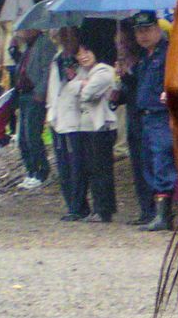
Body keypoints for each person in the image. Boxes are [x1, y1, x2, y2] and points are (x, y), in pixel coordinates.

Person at [127, 12, 176, 232]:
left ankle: (165, 216)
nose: (143, 35)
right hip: (145, 116)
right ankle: (155, 212)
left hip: (161, 115)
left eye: (147, 30)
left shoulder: (169, 54)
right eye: (138, 31)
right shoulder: (145, 57)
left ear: (158, 29)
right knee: (148, 163)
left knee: (162, 162)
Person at [112, 22, 155, 225]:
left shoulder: (147, 59)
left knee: (151, 164)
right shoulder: (130, 61)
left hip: (148, 117)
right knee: (138, 165)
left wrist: (128, 76)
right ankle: (146, 209)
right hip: (133, 117)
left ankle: (157, 210)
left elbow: (145, 87)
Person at [74, 35, 118, 223]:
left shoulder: (103, 71)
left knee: (101, 169)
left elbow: (87, 94)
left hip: (101, 127)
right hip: (87, 127)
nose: (83, 56)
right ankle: (99, 207)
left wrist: (80, 87)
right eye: (80, 53)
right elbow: (71, 92)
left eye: (87, 51)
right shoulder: (83, 73)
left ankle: (104, 208)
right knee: (91, 168)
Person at [46, 27, 88, 221]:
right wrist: (50, 112)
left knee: (77, 165)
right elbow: (52, 88)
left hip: (75, 119)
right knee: (63, 165)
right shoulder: (57, 59)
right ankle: (71, 203)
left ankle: (79, 205)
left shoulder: (85, 58)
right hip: (58, 117)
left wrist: (74, 78)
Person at [11, 26, 56, 190]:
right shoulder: (27, 47)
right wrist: (13, 49)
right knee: (22, 137)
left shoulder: (45, 44)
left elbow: (47, 70)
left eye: (26, 29)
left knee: (32, 135)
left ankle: (41, 171)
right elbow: (21, 68)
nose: (22, 33)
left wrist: (41, 92)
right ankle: (31, 170)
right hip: (23, 94)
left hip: (35, 95)